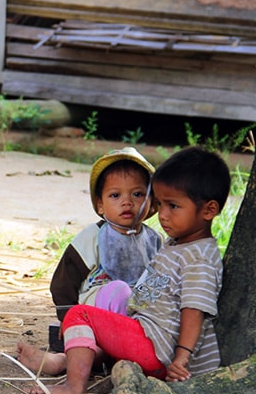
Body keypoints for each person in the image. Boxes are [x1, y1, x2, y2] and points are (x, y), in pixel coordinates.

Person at [26, 146, 230, 394]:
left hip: (159, 352)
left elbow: (194, 310)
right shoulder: (178, 244)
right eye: (160, 204)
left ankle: (73, 386)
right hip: (147, 339)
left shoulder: (199, 257)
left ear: (209, 210)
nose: (162, 215)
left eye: (173, 206)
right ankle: (64, 361)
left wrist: (181, 358)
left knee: (81, 315)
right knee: (100, 325)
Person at [17, 147, 162, 374]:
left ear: (151, 201)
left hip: (136, 321)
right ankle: (68, 359)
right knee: (120, 291)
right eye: (115, 195)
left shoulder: (154, 240)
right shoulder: (93, 237)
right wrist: (68, 319)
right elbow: (64, 280)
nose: (127, 202)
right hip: (93, 316)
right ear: (100, 204)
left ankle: (65, 362)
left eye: (137, 194)